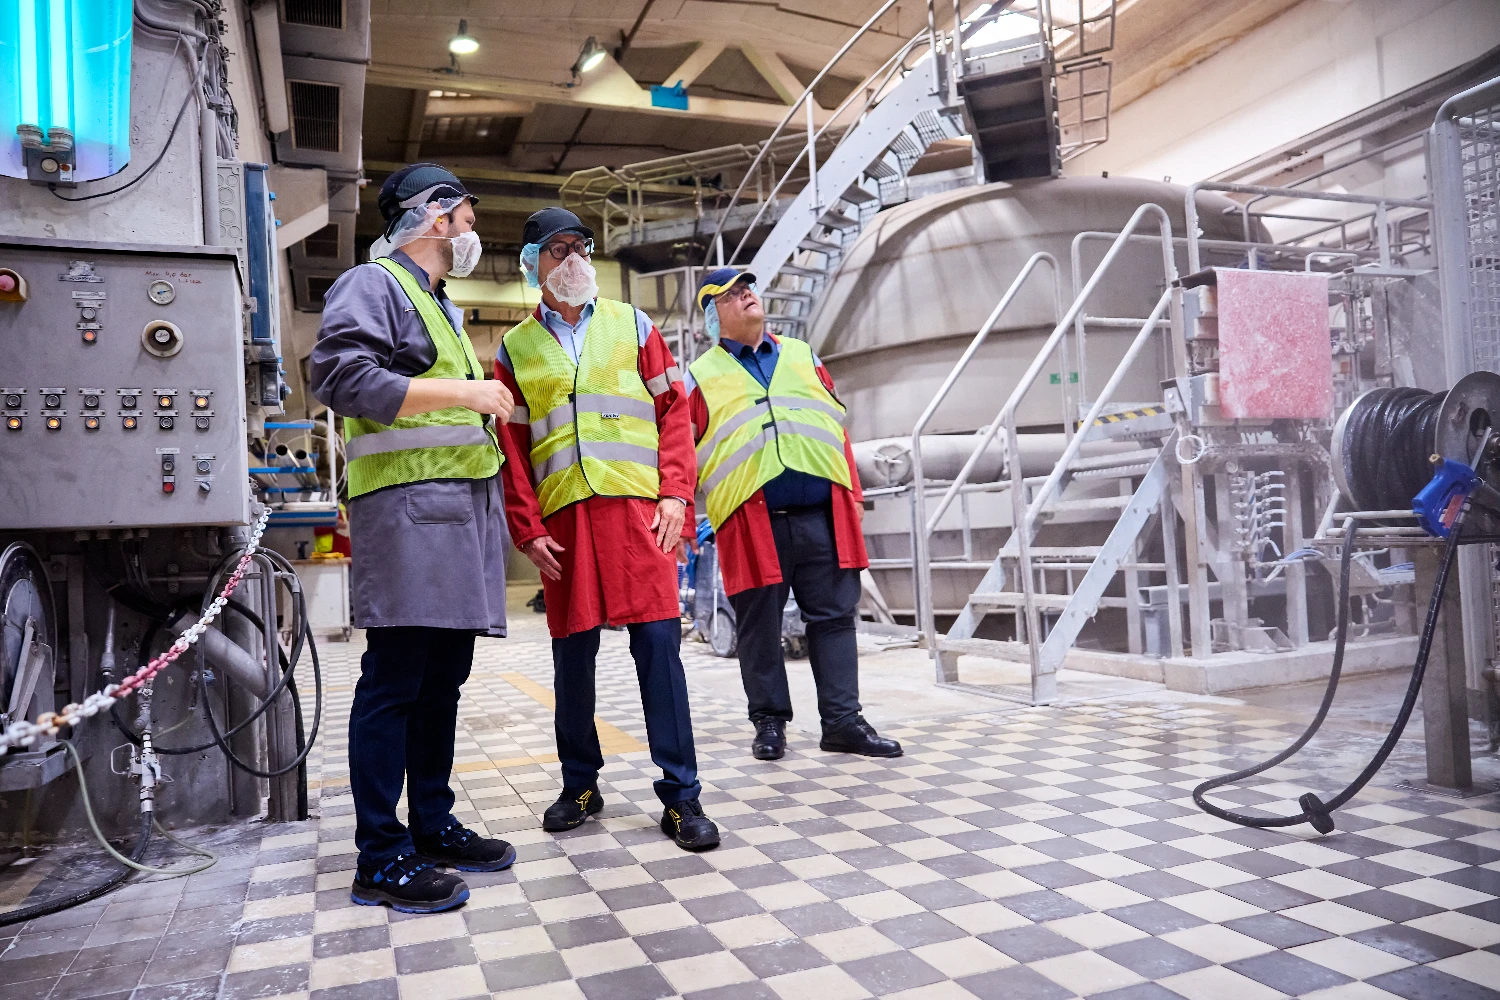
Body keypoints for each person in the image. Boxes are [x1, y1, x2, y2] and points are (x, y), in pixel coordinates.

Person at [310, 162, 518, 913]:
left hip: (455, 520)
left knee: (441, 682)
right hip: (406, 518)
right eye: (463, 217)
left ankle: (430, 824)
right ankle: (381, 854)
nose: (470, 233)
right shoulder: (376, 286)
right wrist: (467, 390)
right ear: (434, 216)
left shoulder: (440, 305)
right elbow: (338, 377)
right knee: (395, 682)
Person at [493, 207, 718, 852]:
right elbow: (510, 448)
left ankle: (682, 796)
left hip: (639, 516)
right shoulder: (513, 349)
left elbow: (676, 412)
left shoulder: (633, 323)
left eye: (581, 247)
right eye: (557, 250)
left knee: (659, 655)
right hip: (565, 524)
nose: (573, 260)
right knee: (573, 664)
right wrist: (527, 528)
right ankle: (579, 784)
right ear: (531, 262)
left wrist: (677, 494)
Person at [686, 268, 901, 762]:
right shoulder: (700, 377)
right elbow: (679, 452)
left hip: (822, 513)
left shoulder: (804, 356)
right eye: (731, 295)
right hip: (751, 518)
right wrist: (678, 507)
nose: (747, 297)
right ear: (712, 317)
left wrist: (853, 494)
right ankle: (769, 723)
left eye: (748, 289)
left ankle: (843, 723)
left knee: (834, 617)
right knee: (758, 625)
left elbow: (834, 428)